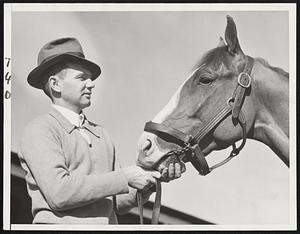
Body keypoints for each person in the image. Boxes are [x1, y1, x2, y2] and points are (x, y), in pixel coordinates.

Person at [18, 37, 185, 224]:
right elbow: (60, 193)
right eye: (82, 78)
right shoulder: (39, 130)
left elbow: (118, 203)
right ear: (55, 84)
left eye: (90, 78)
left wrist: (150, 180)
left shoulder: (101, 134)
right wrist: (125, 177)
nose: (91, 84)